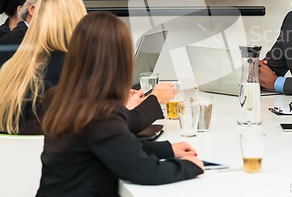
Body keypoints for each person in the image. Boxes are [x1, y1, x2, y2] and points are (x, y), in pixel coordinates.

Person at [37, 12, 203, 196]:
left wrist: (168, 149)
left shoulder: (64, 99)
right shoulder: (100, 115)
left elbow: (119, 147)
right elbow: (144, 171)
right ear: (119, 61)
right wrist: (189, 166)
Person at [0, 0, 170, 135]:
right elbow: (112, 128)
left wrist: (115, 101)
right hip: (54, 159)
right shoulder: (71, 67)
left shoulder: (16, 64)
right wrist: (154, 99)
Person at [0, 0, 82, 65]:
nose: (68, 16)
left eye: (72, 9)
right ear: (32, 9)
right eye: (58, 8)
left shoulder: (75, 43)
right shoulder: (10, 46)